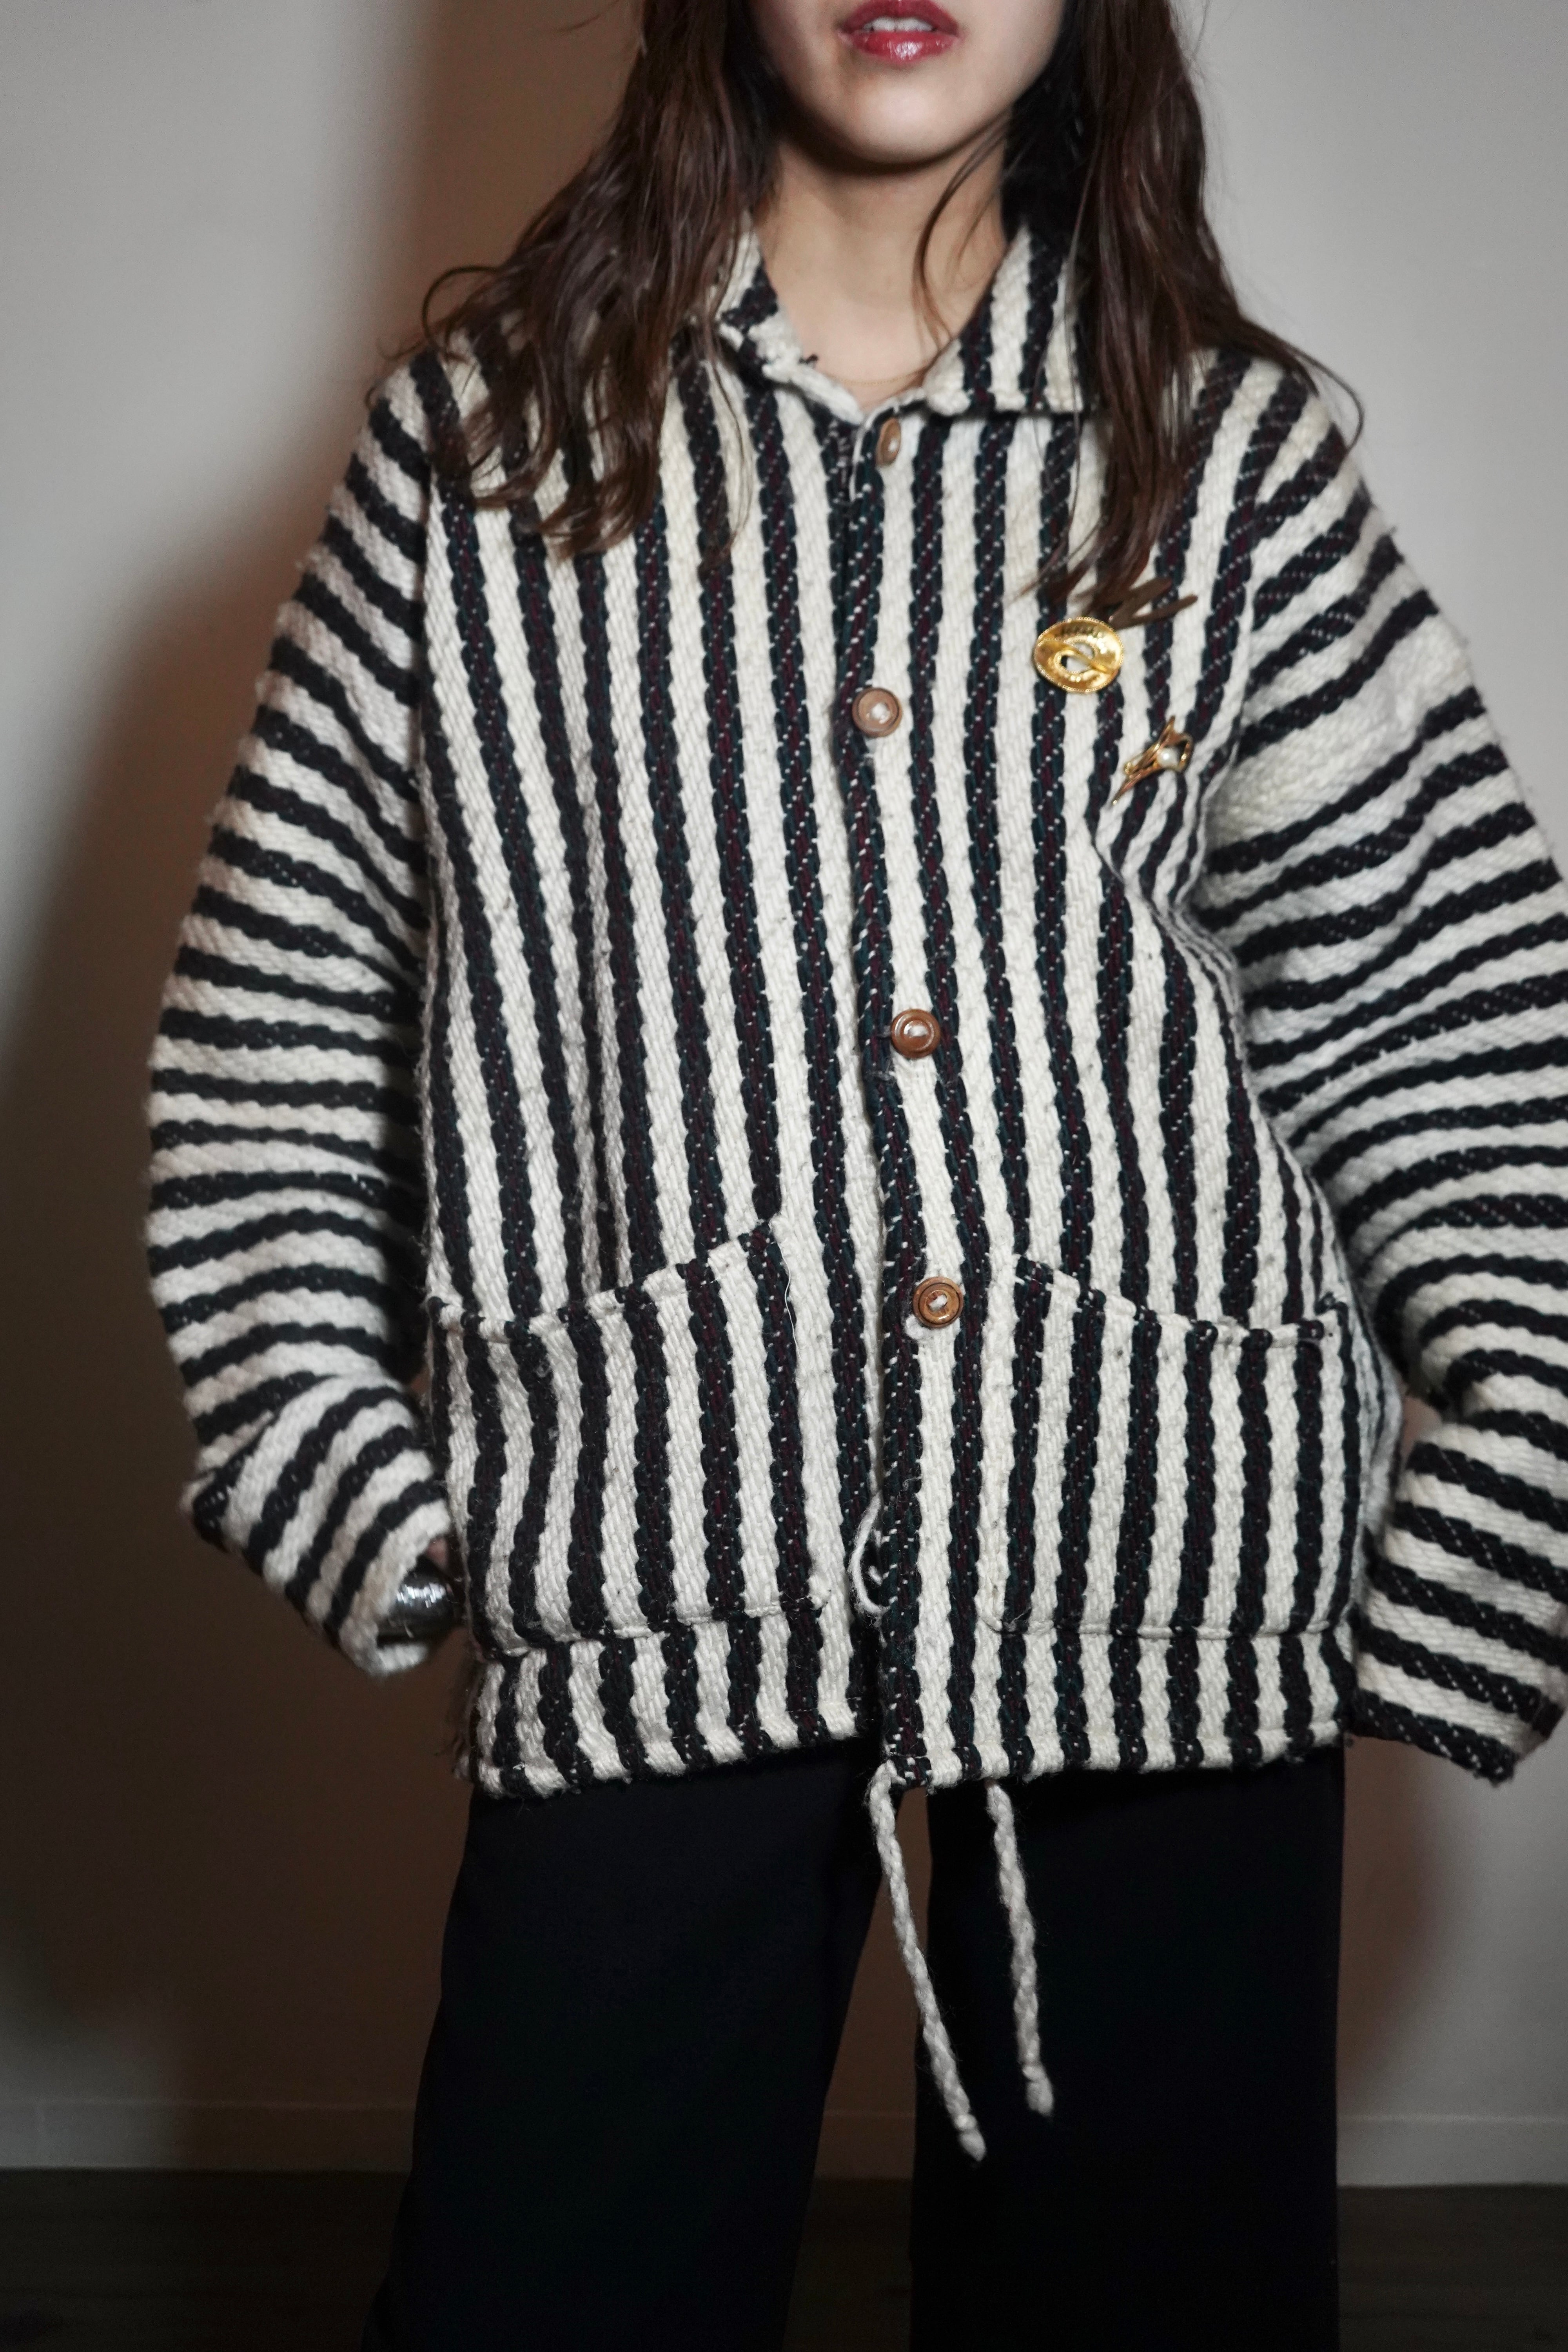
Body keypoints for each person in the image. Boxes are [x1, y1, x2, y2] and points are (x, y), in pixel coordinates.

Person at [145, 1, 1568, 2344]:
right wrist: (347, 1471)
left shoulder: (1220, 460)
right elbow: (277, 1022)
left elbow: (1439, 1006)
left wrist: (1515, 1476)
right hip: (644, 1552)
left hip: (1172, 1556)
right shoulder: (487, 456)